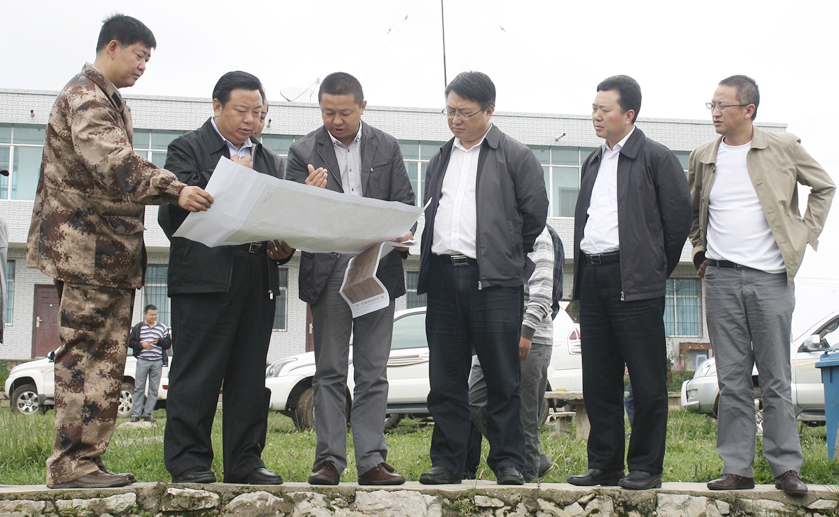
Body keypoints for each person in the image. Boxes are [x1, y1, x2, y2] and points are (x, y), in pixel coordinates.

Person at [25, 14, 212, 489]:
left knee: (105, 360)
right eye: (139, 55)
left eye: (148, 59)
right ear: (112, 46)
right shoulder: (86, 98)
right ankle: (70, 464)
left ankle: (86, 460)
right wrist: (175, 189)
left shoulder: (108, 99)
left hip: (106, 254)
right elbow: (114, 163)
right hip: (86, 251)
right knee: (85, 357)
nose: (143, 66)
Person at [690, 75, 835, 497]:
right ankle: (737, 469)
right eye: (712, 105)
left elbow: (824, 186)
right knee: (732, 379)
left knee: (775, 377)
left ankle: (786, 467)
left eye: (723, 105)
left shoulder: (783, 147)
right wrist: (699, 250)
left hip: (770, 277)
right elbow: (693, 208)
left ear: (748, 110)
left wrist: (803, 235)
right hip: (721, 278)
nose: (715, 112)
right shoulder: (703, 156)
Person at [159, 71, 294, 485]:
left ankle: (245, 461)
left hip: (257, 276)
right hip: (204, 278)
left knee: (249, 375)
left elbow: (279, 222)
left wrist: (284, 248)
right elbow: (170, 215)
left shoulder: (271, 161)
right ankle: (189, 461)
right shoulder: (188, 148)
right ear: (217, 106)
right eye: (242, 110)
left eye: (259, 113)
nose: (250, 120)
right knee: (197, 373)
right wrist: (226, 183)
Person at [416, 71, 548, 486]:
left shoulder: (515, 155)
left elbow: (534, 217)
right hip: (443, 277)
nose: (455, 120)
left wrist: (504, 256)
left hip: (494, 282)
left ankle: (508, 462)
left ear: (489, 111)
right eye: (450, 111)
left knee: (502, 377)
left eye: (465, 112)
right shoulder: (440, 158)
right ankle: (448, 462)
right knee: (445, 378)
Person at [286, 72, 414, 486]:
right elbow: (289, 218)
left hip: (376, 269)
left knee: (373, 371)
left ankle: (372, 461)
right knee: (329, 371)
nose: (336, 121)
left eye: (344, 112)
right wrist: (306, 194)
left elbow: (405, 203)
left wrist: (402, 232)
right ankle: (329, 460)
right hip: (328, 272)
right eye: (328, 113)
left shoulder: (387, 146)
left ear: (362, 106)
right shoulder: (303, 150)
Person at [567, 75, 691, 490]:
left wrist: (651, 268)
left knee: (646, 379)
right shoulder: (592, 161)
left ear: (629, 114)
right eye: (594, 108)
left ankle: (645, 467)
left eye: (605, 109)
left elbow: (678, 222)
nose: (596, 116)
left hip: (635, 279)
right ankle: (604, 464)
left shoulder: (655, 157)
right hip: (593, 275)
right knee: (598, 379)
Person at [468, 226, 556, 482]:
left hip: (532, 338)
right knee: (474, 399)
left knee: (525, 418)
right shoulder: (496, 227)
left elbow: (543, 288)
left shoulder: (538, 233)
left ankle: (527, 485)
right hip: (496, 334)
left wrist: (526, 331)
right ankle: (531, 456)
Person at [128, 304, 171, 422]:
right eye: (151, 315)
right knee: (139, 388)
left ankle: (148, 413)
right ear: (145, 314)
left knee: (154, 389)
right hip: (143, 361)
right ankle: (136, 414)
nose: (154, 317)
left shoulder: (162, 328)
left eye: (155, 315)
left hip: (157, 362)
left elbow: (168, 343)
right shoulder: (139, 327)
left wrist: (159, 341)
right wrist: (142, 345)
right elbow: (130, 342)